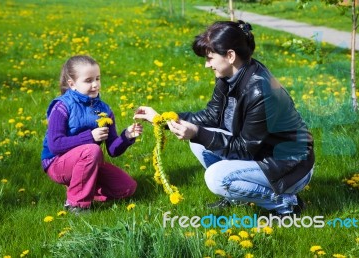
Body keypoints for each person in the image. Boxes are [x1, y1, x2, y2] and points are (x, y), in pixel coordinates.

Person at [134, 20, 314, 217]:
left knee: (215, 177)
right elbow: (211, 116)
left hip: (289, 167)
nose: (206, 65)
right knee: (198, 143)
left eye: (210, 58)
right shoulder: (228, 76)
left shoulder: (261, 92)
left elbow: (244, 150)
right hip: (260, 153)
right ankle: (238, 195)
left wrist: (197, 133)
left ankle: (286, 204)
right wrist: (161, 118)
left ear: (230, 56)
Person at [41, 55, 142, 214]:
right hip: (57, 163)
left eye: (97, 78)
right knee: (92, 150)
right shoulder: (62, 106)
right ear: (72, 84)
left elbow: (113, 150)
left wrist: (127, 136)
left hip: (88, 162)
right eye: (88, 80)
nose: (95, 84)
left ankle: (81, 185)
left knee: (127, 187)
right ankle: (77, 205)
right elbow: (55, 145)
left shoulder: (105, 110)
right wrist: (91, 137)